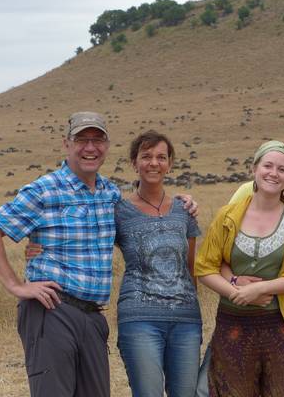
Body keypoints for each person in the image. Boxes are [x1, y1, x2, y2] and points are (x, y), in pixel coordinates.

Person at [0, 111, 120, 397]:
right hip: (53, 310)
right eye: (82, 140)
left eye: (97, 140)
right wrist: (16, 285)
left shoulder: (109, 193)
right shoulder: (45, 190)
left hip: (93, 316)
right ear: (66, 144)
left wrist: (179, 204)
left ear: (107, 145)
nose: (90, 148)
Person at [195, 132, 284, 396]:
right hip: (232, 326)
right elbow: (205, 267)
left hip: (283, 328)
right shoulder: (228, 216)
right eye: (267, 166)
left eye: (281, 169)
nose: (273, 173)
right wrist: (236, 290)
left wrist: (258, 289)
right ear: (254, 168)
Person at [112, 131, 202, 397]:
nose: (154, 163)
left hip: (185, 320)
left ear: (170, 164)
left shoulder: (184, 210)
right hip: (140, 319)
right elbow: (88, 242)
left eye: (161, 157)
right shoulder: (119, 211)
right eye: (146, 156)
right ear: (134, 162)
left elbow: (191, 268)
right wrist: (37, 247)